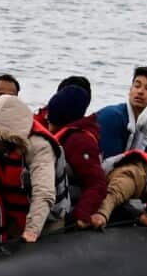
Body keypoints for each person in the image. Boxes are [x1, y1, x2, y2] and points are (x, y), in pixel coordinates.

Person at [0, 94, 68, 243]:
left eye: (1, 140)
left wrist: (32, 231)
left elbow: (44, 193)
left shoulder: (40, 146)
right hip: (14, 215)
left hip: (47, 220)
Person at [44, 85, 108, 228]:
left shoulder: (79, 141)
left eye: (50, 119)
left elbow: (97, 183)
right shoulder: (66, 135)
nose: (48, 121)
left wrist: (81, 215)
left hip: (71, 207)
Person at [97, 66, 147, 159]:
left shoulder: (145, 131)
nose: (140, 91)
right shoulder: (113, 117)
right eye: (137, 86)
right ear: (130, 90)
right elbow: (107, 166)